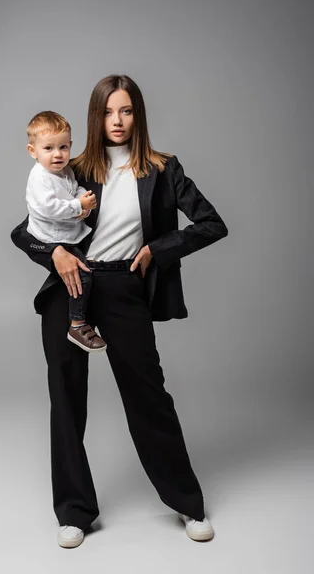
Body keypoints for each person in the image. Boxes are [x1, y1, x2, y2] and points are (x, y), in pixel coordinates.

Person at [11, 74, 228, 549]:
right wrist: (55, 255)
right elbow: (23, 231)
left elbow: (212, 223)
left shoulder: (162, 168)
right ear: (95, 115)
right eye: (108, 111)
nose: (117, 120)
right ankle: (73, 512)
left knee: (150, 397)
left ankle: (188, 504)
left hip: (124, 288)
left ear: (138, 115)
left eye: (126, 111)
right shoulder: (75, 166)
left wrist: (157, 249)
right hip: (73, 287)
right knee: (66, 401)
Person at [25, 110, 107, 353]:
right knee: (83, 276)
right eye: (48, 148)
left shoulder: (65, 171)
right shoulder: (40, 177)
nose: (57, 154)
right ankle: (78, 324)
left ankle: (80, 317)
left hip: (67, 232)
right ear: (33, 151)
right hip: (51, 236)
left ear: (70, 145)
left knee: (83, 273)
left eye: (63, 147)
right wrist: (77, 207)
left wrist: (83, 197)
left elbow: (73, 187)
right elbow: (48, 207)